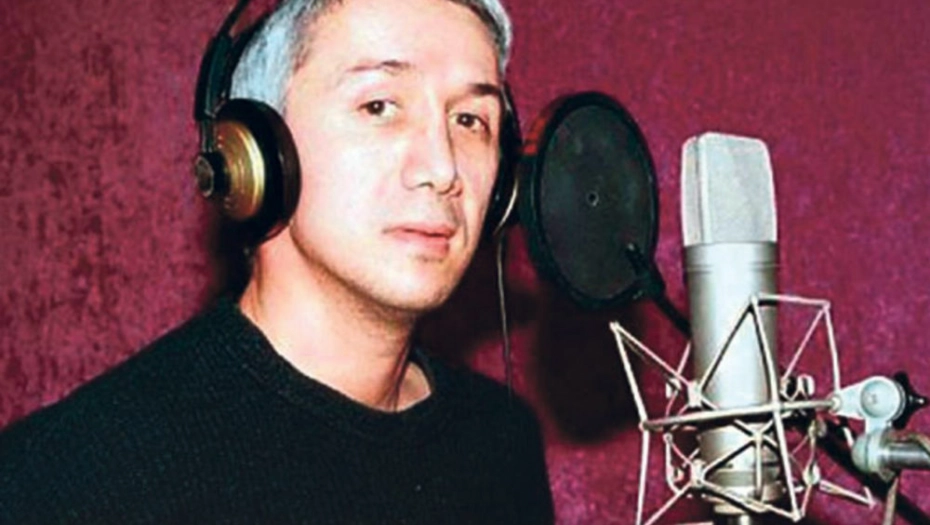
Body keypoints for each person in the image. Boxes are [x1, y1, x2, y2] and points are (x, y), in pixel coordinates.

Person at [0, 0, 554, 522]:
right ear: (253, 153)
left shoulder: (502, 444)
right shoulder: (65, 480)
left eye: (470, 120)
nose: (442, 168)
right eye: (379, 106)